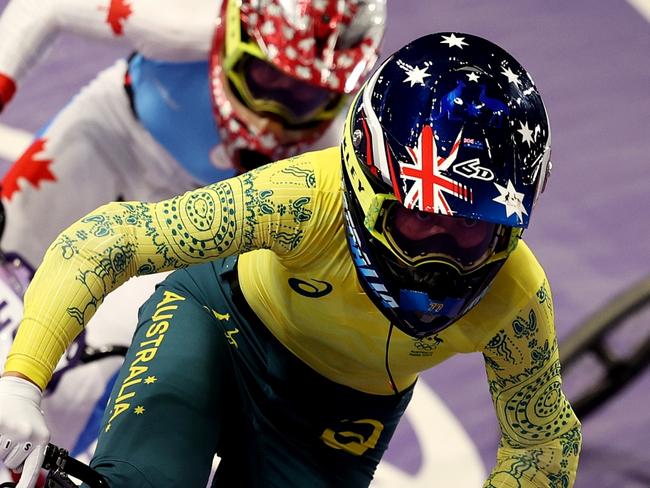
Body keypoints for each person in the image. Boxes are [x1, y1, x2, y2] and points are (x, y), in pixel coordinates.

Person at [0, 32, 582, 487]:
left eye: (470, 233)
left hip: (339, 410)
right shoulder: (304, 197)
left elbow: (543, 446)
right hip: (222, 327)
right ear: (365, 182)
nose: (437, 263)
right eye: (419, 218)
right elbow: (109, 239)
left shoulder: (516, 296)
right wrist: (21, 382)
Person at [0, 0, 387, 469]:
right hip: (111, 146)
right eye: (267, 80)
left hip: (215, 214)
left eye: (304, 97)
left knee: (148, 343)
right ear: (230, 38)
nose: (269, 119)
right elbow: (45, 7)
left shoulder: (361, 135)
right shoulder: (184, 25)